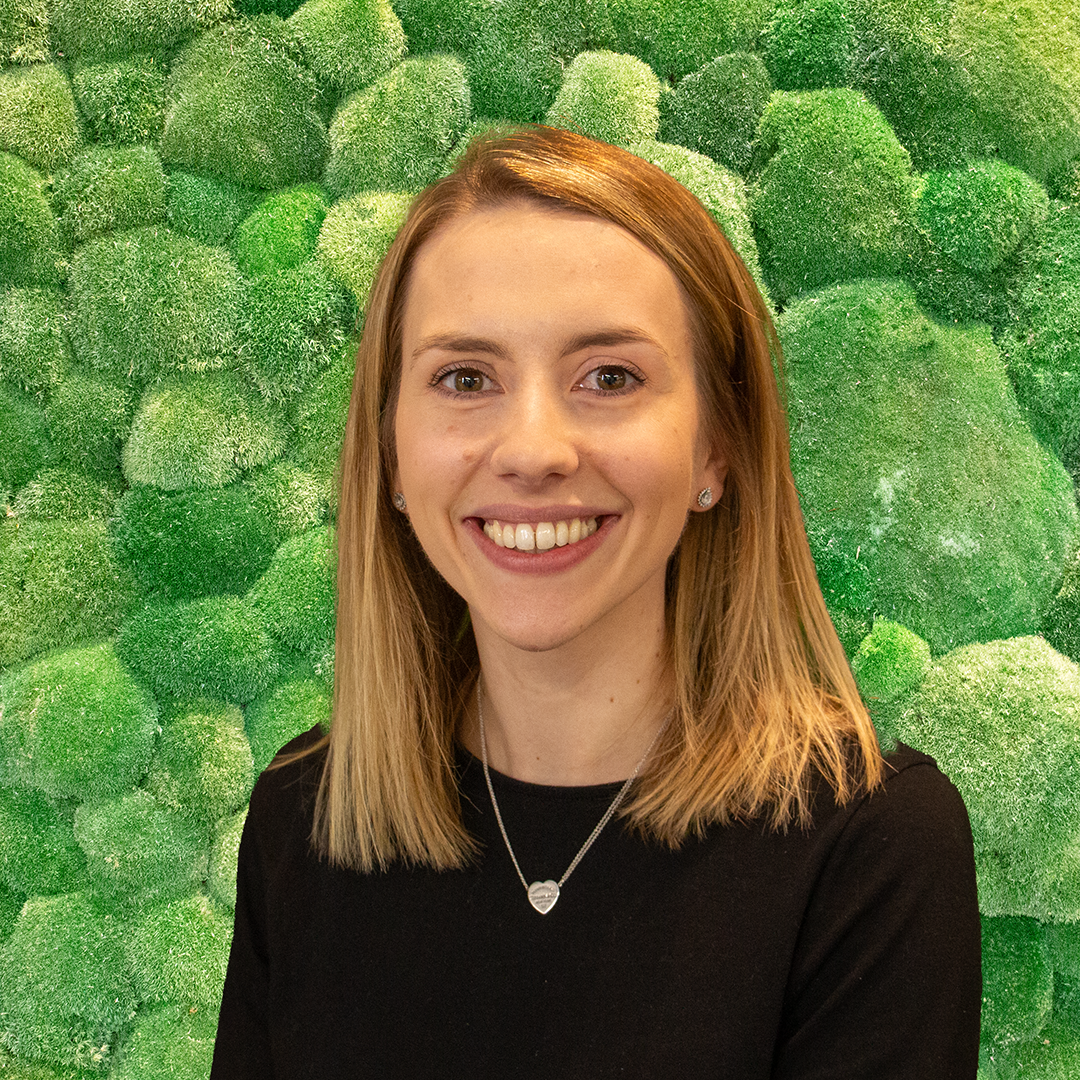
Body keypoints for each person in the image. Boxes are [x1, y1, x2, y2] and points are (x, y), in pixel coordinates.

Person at [211, 124, 982, 1078]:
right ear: (394, 454)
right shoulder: (304, 814)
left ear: (716, 447)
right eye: (465, 378)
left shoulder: (872, 849)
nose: (534, 450)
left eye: (609, 377)